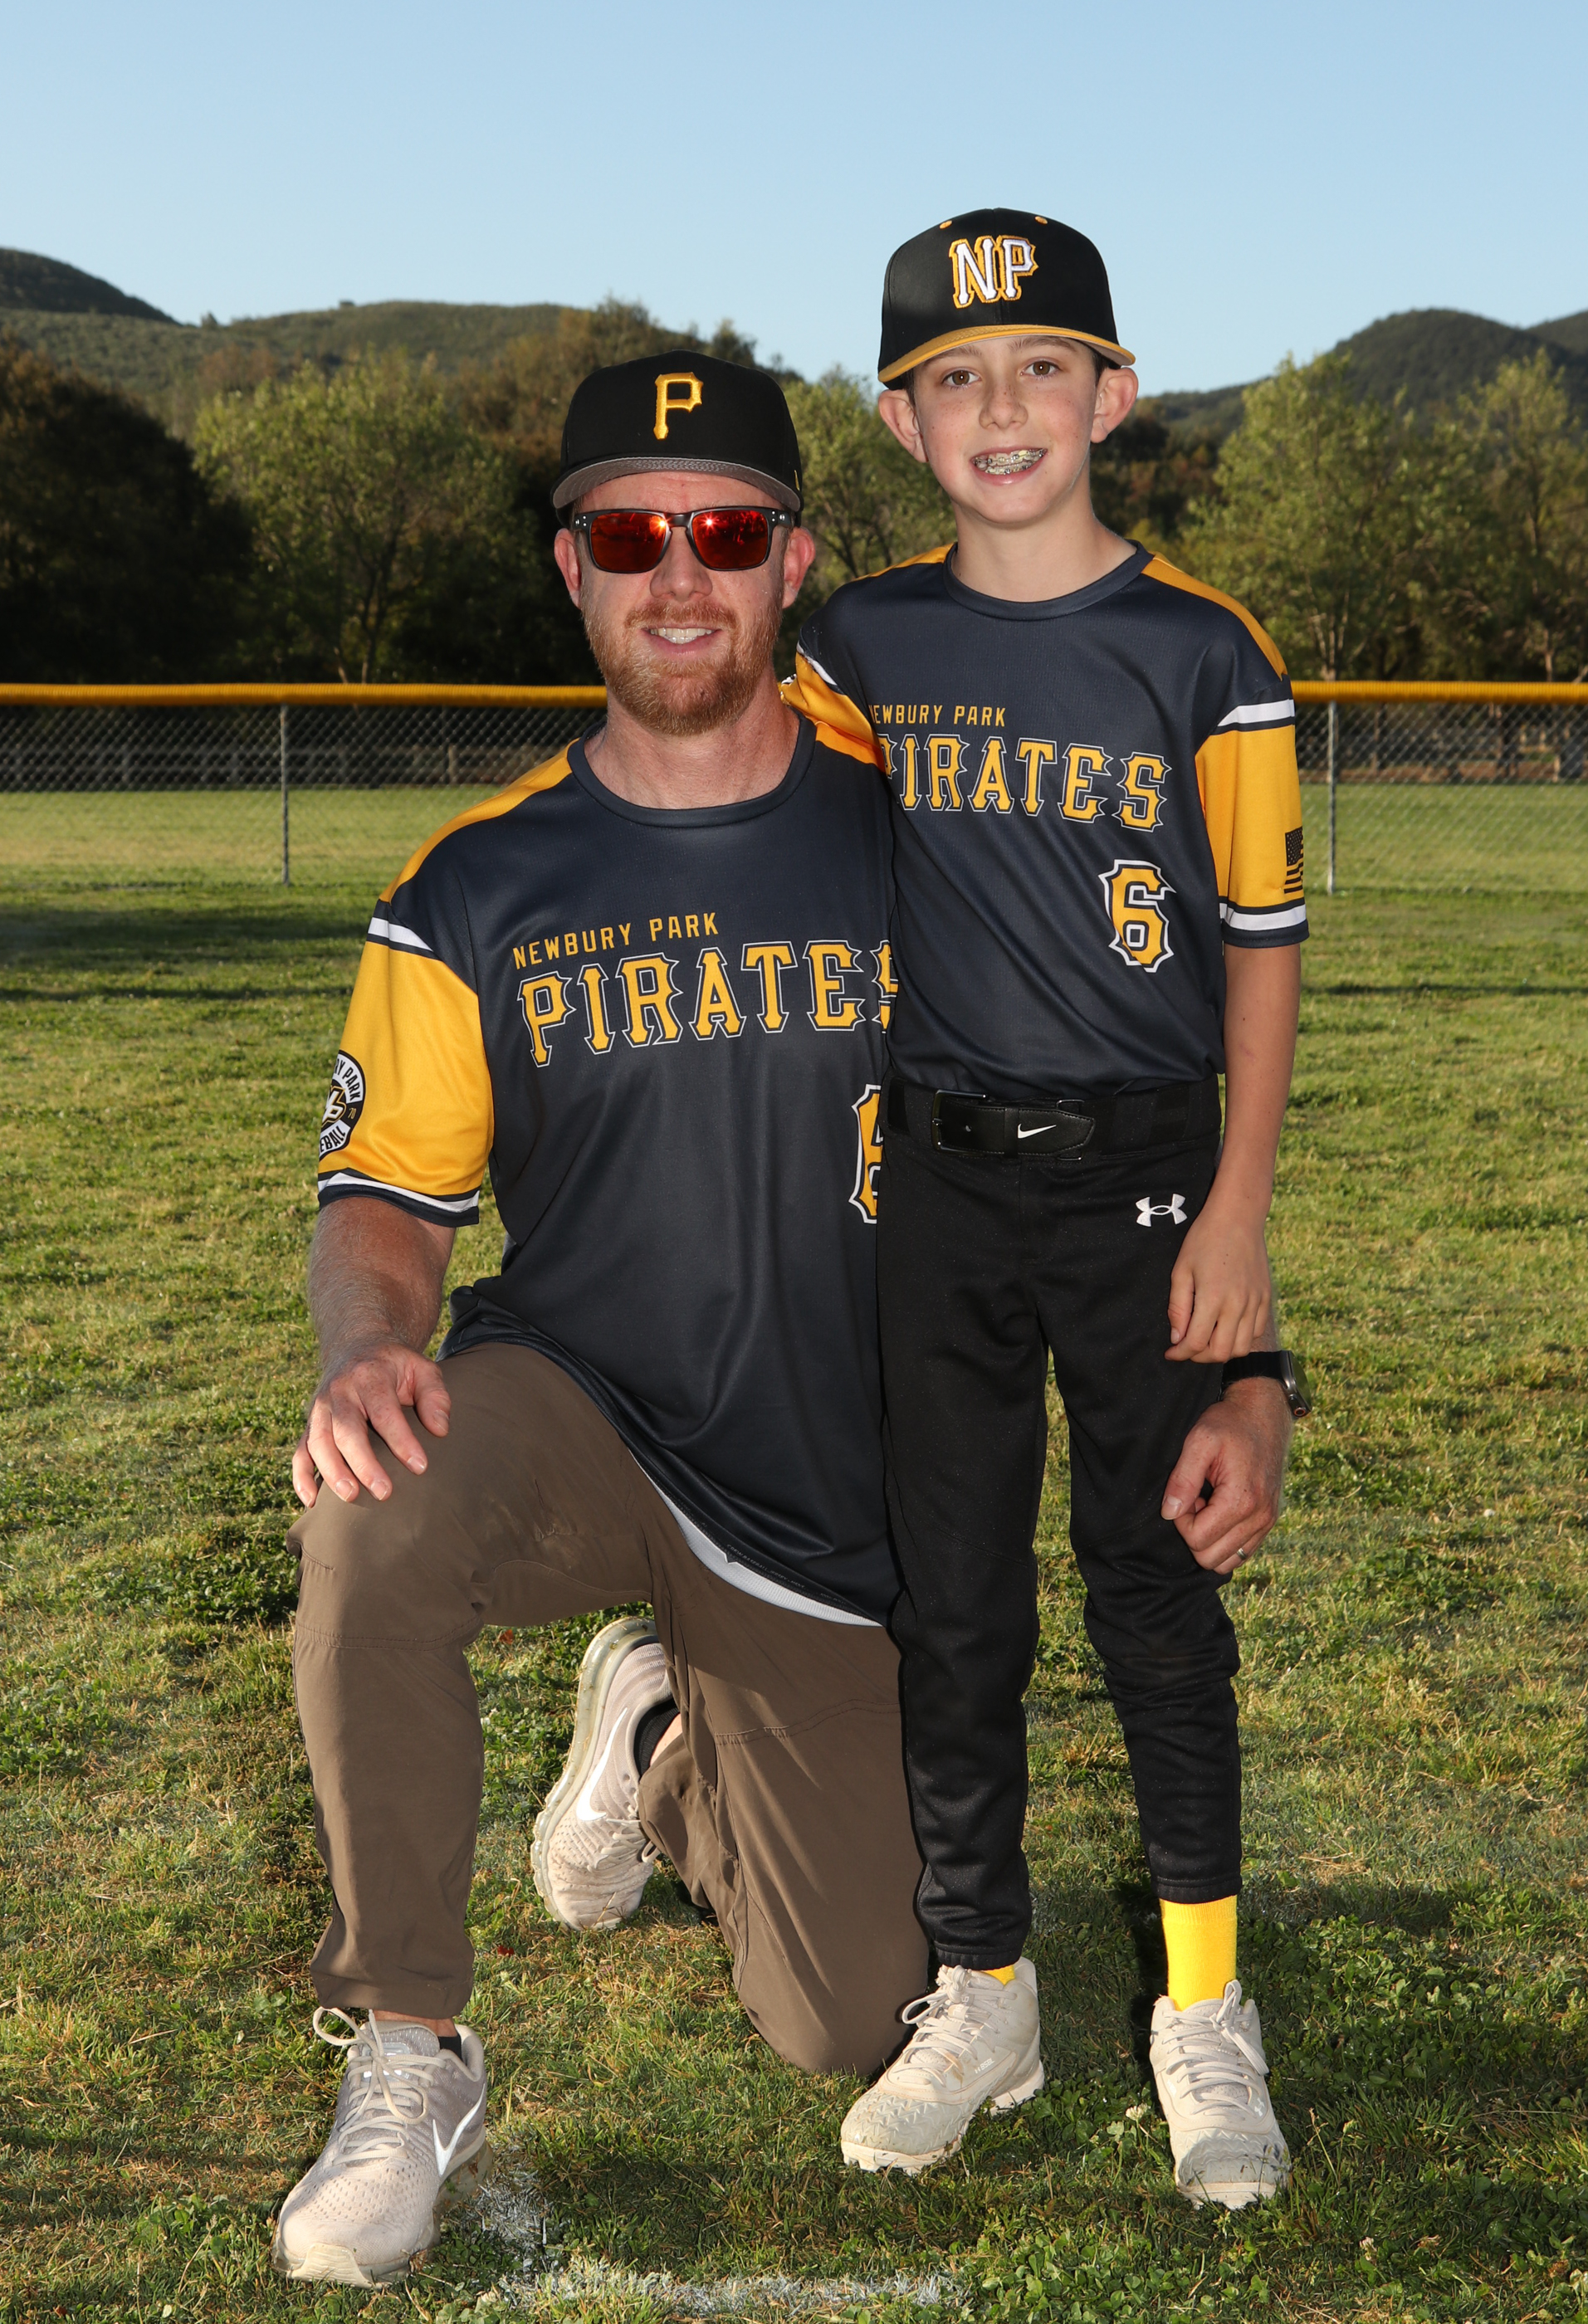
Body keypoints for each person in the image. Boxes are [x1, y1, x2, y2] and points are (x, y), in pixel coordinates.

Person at [272, 353, 926, 2287]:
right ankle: (408, 2043)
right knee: (375, 1500)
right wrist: (367, 1343)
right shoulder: (477, 880)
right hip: (578, 1402)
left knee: (851, 2013)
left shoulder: (916, 827)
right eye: (629, 536)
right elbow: (384, 1198)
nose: (677, 574)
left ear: (790, 558)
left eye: (721, 527)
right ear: (572, 569)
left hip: (824, 1478)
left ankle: (653, 1738)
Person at [785, 210, 1311, 2208]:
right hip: (931, 1174)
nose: (997, 408)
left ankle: (1202, 1998)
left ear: (1112, 393)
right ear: (900, 422)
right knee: (953, 1602)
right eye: (952, 379)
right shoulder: (859, 648)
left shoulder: (1203, 649)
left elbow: (1258, 948)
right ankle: (983, 1982)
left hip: (1144, 1170)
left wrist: (1239, 1217)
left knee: (1157, 1591)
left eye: (1038, 368)